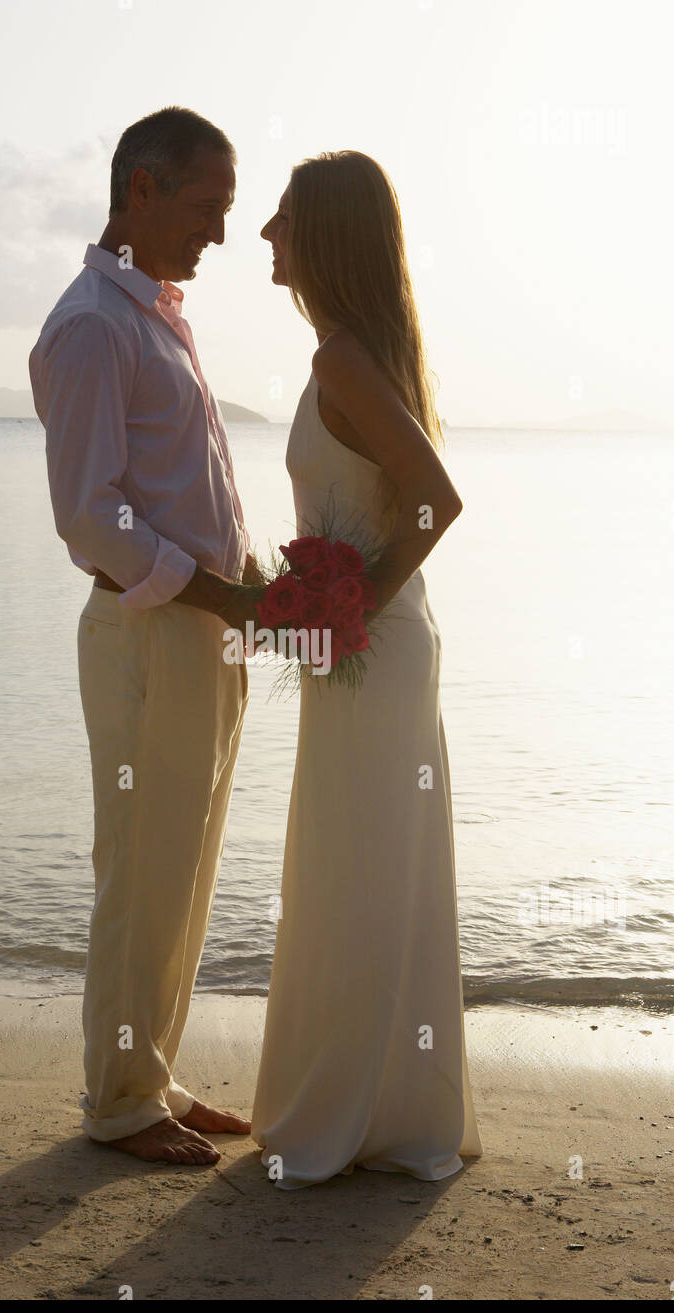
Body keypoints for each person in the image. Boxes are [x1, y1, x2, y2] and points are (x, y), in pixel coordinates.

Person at [29, 107, 262, 1166]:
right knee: (139, 867)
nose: (218, 230)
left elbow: (180, 484)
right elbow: (90, 513)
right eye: (208, 206)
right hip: (146, 636)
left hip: (201, 632)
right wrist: (211, 592)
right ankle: (118, 1101)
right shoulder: (92, 325)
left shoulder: (156, 312)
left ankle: (150, 1074)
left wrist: (253, 578)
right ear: (142, 191)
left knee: (187, 862)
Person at [249, 152, 483, 1189]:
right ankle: (386, 1111)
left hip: (373, 654)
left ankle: (354, 1117)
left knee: (356, 872)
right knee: (359, 870)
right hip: (370, 653)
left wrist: (349, 608)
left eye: (284, 218)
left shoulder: (342, 360)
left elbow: (434, 497)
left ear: (326, 238)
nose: (264, 232)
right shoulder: (350, 355)